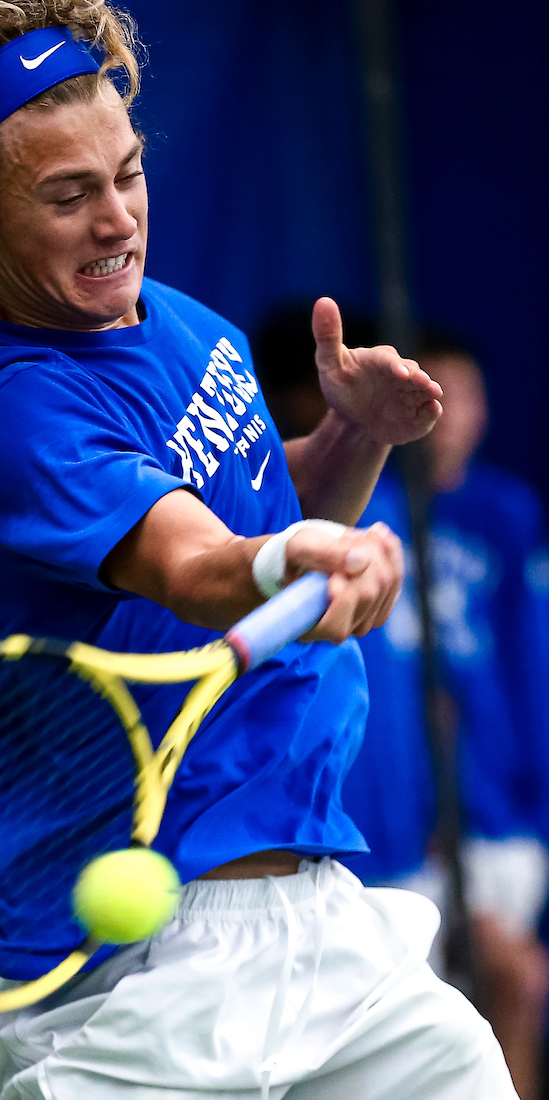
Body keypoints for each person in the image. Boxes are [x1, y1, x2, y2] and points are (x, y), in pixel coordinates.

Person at [0, 0, 516, 1099]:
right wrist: (287, 564)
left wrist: (347, 443)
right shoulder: (13, 421)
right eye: (66, 197)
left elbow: (264, 519)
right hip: (141, 975)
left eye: (128, 174)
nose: (117, 220)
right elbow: (199, 566)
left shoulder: (173, 320)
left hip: (322, 922)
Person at [255, 310, 549, 1100]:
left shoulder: (502, 514)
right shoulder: (345, 517)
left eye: (465, 396)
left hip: (486, 824)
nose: (448, 416)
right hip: (378, 844)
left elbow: (524, 673)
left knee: (506, 989)